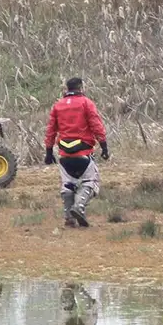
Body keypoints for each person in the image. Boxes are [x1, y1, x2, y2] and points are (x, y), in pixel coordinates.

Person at [44, 77, 109, 229]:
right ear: (81, 88)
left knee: (68, 186)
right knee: (91, 183)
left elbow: (51, 130)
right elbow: (95, 124)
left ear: (66, 89)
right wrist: (104, 146)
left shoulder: (57, 105)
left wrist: (48, 152)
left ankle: (68, 218)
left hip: (64, 156)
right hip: (83, 153)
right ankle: (79, 206)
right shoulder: (86, 103)